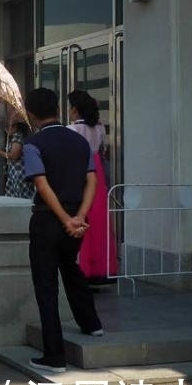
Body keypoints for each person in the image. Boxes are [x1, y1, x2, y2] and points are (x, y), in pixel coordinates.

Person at [22, 87, 103, 374]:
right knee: (71, 269)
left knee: (46, 287)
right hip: (75, 222)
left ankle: (54, 356)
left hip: (47, 220)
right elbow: (91, 181)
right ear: (57, 109)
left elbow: (41, 185)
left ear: (31, 114)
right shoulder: (80, 142)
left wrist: (64, 218)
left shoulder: (33, 144)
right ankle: (92, 324)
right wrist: (78, 216)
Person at [67, 89, 117, 281]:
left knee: (82, 216)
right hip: (98, 174)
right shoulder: (100, 128)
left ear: (75, 109)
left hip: (80, 173)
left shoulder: (72, 130)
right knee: (99, 220)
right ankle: (101, 268)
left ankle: (84, 268)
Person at [0, 122, 35, 199]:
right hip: (16, 173)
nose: (6, 129)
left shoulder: (17, 136)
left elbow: (14, 155)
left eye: (9, 126)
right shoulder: (18, 137)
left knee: (20, 197)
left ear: (16, 127)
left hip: (19, 173)